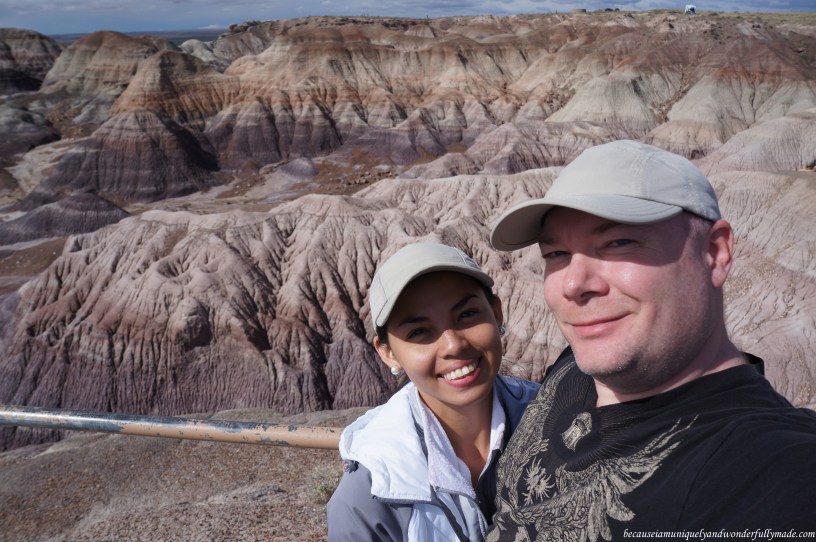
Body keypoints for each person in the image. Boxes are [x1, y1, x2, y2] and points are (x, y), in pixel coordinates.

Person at [486, 139, 816, 539]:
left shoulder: (771, 469)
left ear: (714, 252)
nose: (573, 284)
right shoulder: (574, 364)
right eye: (555, 254)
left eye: (618, 243)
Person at [327, 242, 540, 541]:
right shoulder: (369, 500)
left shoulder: (561, 421)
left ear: (497, 313)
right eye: (419, 332)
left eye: (467, 314)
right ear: (388, 353)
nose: (453, 344)